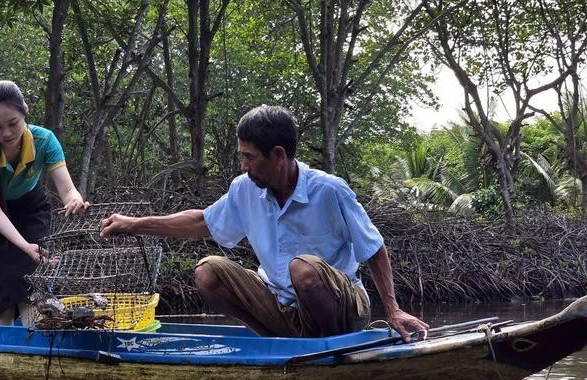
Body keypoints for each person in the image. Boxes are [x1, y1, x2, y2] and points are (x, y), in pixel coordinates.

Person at [100, 105, 428, 341]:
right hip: (283, 307)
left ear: (279, 156)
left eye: (250, 157)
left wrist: (394, 310)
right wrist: (134, 224)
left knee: (304, 269)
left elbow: (374, 248)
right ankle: (268, 340)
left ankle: (330, 349)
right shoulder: (244, 189)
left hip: (342, 309)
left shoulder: (329, 190)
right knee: (208, 271)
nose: (244, 166)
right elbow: (202, 221)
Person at [0, 80, 88, 326]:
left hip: (30, 210)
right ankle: (2, 349)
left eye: (13, 123)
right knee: (1, 296)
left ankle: (37, 346)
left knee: (30, 286)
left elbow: (67, 189)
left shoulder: (45, 140)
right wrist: (23, 245)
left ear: (24, 113)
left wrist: (75, 201)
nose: (6, 133)